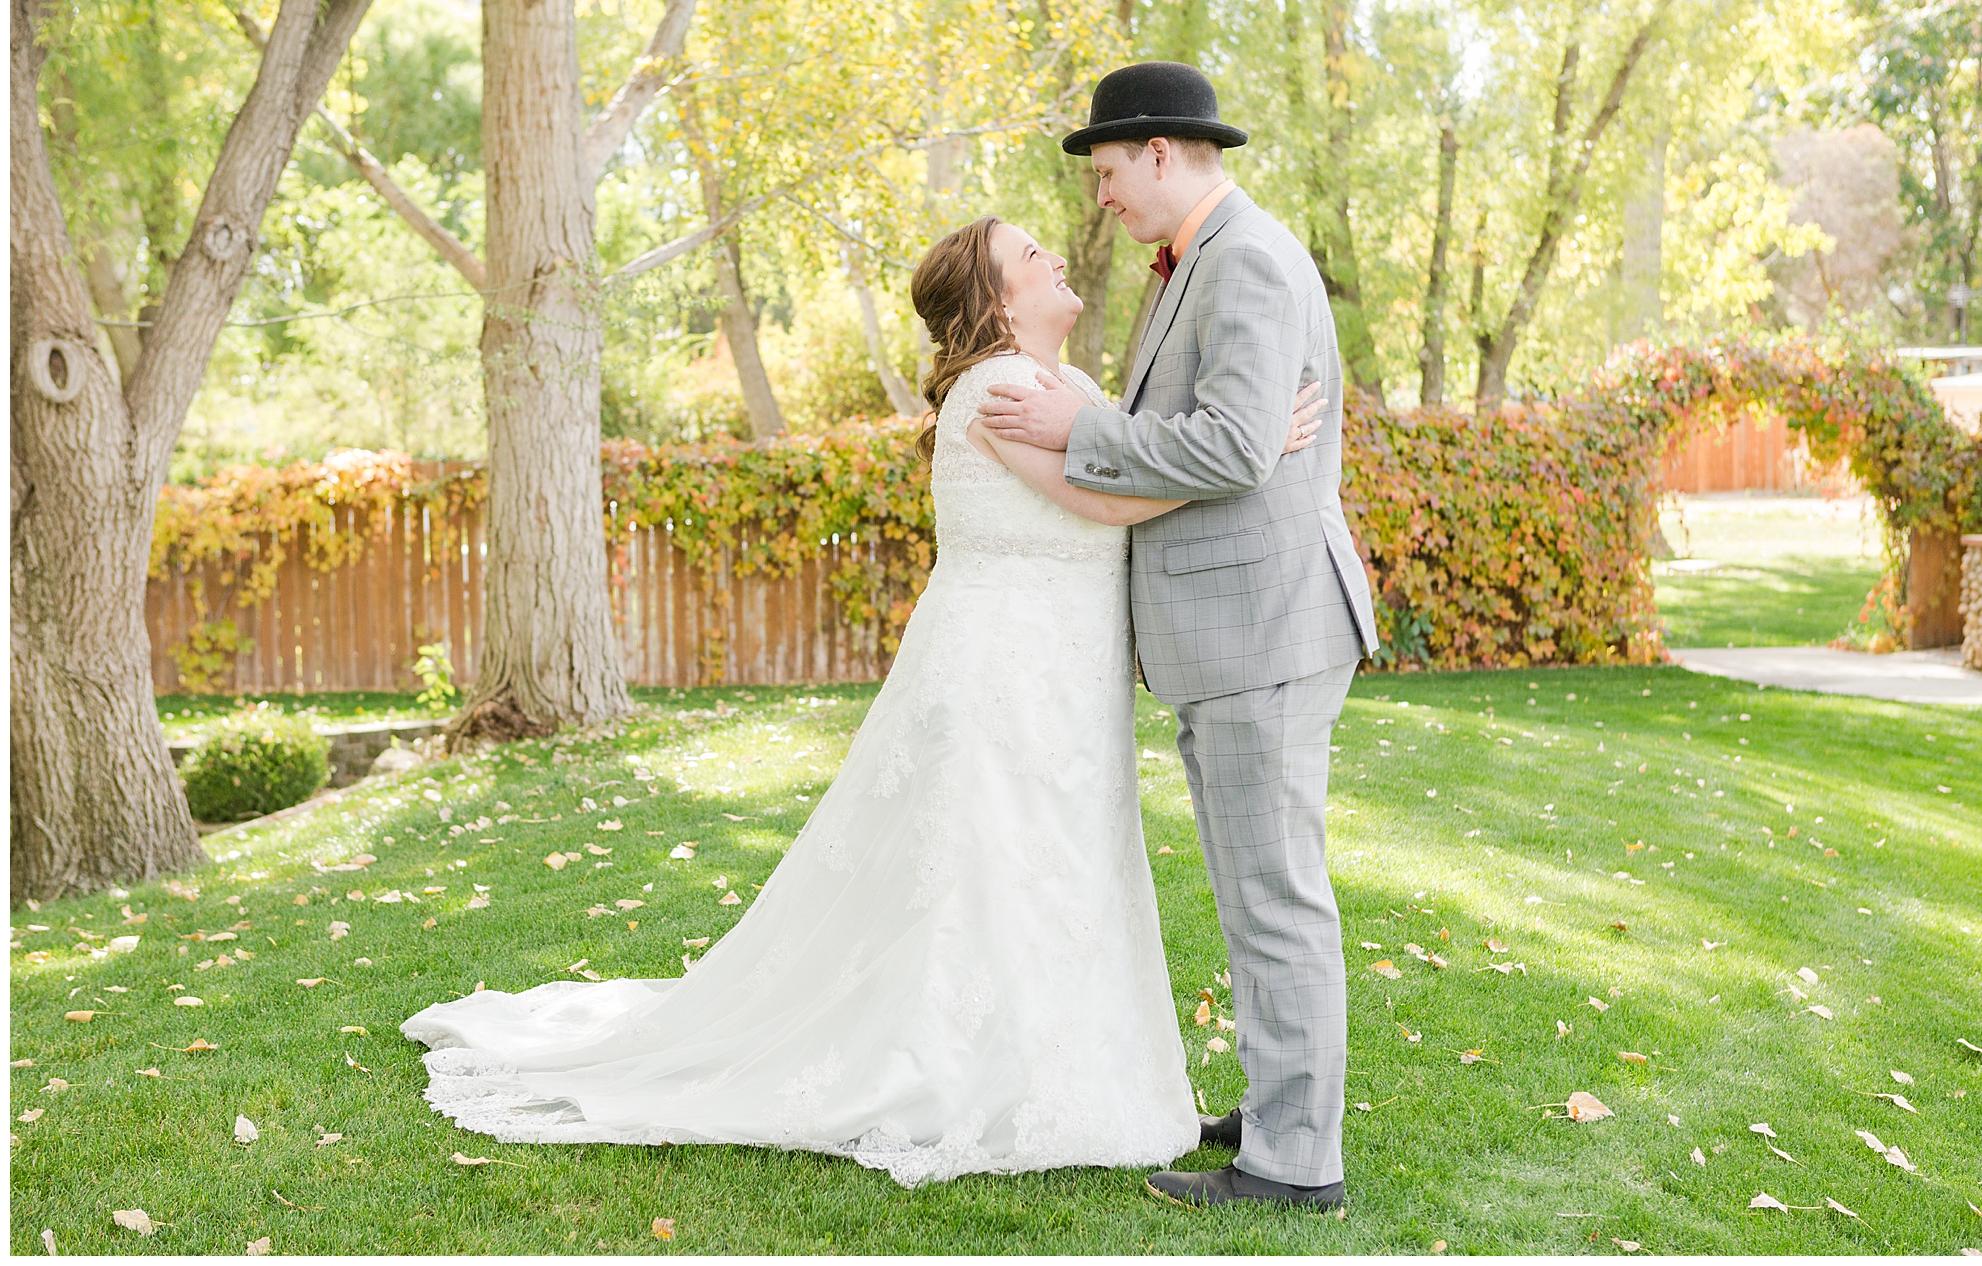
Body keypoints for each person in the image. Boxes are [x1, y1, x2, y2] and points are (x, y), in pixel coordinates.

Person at [399, 211, 1327, 1190]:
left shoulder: (1073, 389)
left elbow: (1125, 468)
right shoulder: (998, 389)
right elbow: (1108, 500)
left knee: (1060, 863)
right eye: (1027, 256)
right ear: (996, 303)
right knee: (993, 868)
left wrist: (1223, 445)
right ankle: (974, 1070)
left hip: (1064, 669)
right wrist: (1246, 448)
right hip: (1001, 670)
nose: (1053, 256)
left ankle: (1062, 1061)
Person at [978, 60, 1380, 1210]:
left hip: (1263, 628)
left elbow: (1231, 449)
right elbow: (1223, 436)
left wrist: (1084, 422)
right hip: (1239, 630)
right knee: (1257, 888)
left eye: (1105, 172)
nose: (1099, 197)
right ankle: (1277, 1102)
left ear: (1159, 154)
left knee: (1273, 895)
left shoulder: (1243, 259)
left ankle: (1294, 1163)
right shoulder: (1198, 262)